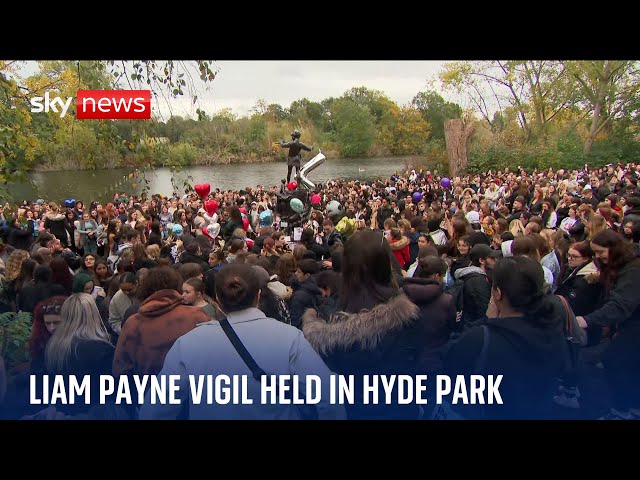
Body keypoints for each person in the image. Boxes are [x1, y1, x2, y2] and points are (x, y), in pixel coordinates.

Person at [139, 264, 345, 420]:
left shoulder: (188, 344)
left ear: (217, 301)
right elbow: (329, 397)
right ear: (258, 296)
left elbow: (155, 410)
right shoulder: (289, 337)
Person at [444, 256, 569, 419]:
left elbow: (449, 363)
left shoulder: (481, 338)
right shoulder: (554, 330)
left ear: (497, 293)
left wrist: (485, 319)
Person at [576, 229, 640, 419]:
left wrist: (588, 320)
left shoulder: (633, 271)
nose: (597, 257)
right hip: (628, 325)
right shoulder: (621, 267)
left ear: (613, 249)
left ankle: (622, 411)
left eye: (600, 252)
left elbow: (621, 305)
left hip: (634, 326)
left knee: (618, 364)